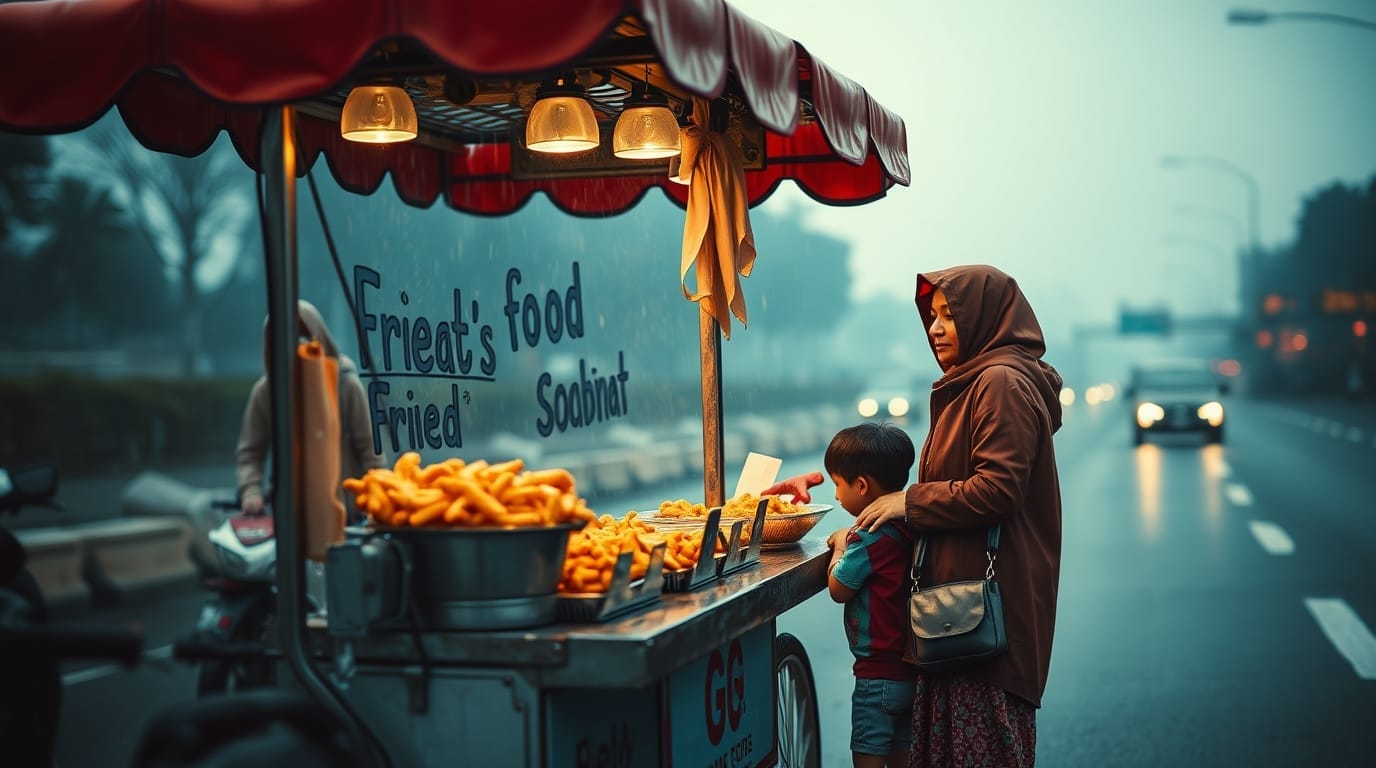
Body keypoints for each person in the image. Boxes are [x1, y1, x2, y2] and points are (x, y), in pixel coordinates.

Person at [765, 264, 1062, 768]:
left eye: (951, 315)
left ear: (986, 318)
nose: (936, 328)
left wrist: (908, 501)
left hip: (983, 621)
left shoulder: (1000, 383)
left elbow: (999, 489)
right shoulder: (976, 381)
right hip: (957, 619)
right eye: (934, 315)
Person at [235, 300, 385, 522]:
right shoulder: (266, 393)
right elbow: (250, 453)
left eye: (303, 340)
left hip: (347, 514)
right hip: (290, 516)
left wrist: (376, 499)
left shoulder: (346, 387)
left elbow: (371, 452)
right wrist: (251, 491)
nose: (296, 351)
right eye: (283, 342)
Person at [822, 422, 918, 768]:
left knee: (868, 756)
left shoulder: (866, 537)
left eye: (837, 484)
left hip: (875, 678)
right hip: (911, 669)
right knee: (902, 755)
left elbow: (839, 588)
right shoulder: (910, 523)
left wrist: (839, 546)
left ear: (861, 486)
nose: (835, 495)